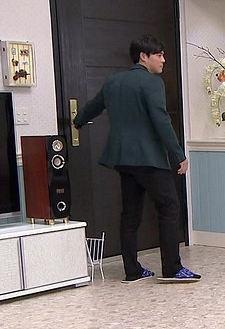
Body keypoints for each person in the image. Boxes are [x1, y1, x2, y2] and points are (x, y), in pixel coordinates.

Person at [73, 34, 201, 284]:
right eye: (159, 55)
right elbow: (161, 120)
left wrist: (77, 121)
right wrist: (178, 155)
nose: (163, 60)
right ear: (144, 56)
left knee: (130, 214)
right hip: (149, 158)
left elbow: (93, 107)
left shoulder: (113, 81)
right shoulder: (152, 82)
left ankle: (132, 270)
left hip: (123, 160)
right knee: (169, 208)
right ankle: (172, 268)